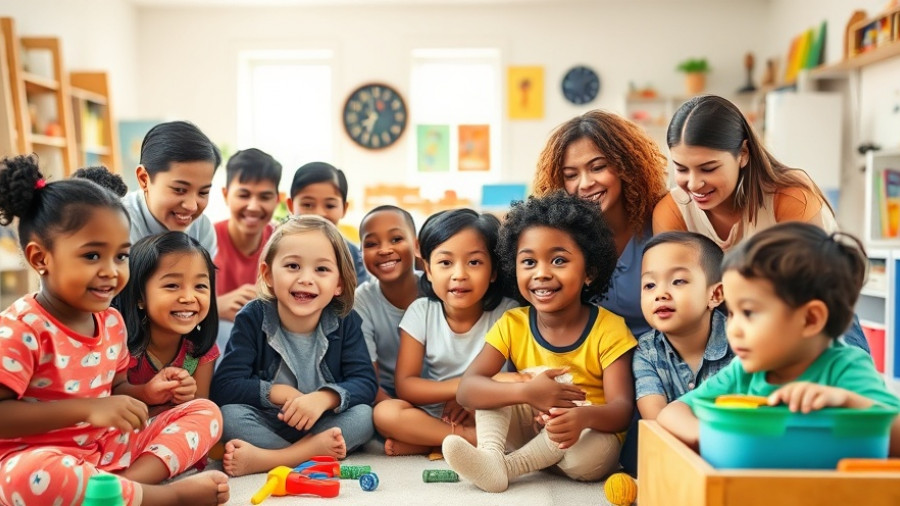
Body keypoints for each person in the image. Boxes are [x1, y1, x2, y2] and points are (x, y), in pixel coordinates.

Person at [0, 155, 228, 505]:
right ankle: (164, 498)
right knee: (30, 476)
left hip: (104, 449)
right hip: (39, 457)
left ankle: (118, 488)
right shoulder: (20, 328)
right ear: (40, 258)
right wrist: (88, 409)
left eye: (121, 256)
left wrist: (147, 392)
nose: (111, 271)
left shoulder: (111, 322)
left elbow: (117, 387)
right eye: (92, 256)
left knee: (205, 412)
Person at [442, 192, 636, 492]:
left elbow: (622, 410)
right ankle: (492, 456)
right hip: (531, 429)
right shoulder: (512, 323)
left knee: (593, 454)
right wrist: (528, 392)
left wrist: (580, 418)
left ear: (590, 272)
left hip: (582, 436)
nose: (542, 273)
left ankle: (506, 467)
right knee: (493, 386)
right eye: (529, 262)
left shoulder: (609, 329)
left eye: (558, 260)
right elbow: (468, 390)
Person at [657, 222, 900, 456]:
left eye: (749, 313)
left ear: (810, 319)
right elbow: (672, 413)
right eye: (732, 313)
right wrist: (714, 437)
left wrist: (847, 401)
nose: (734, 329)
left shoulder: (845, 367)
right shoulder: (742, 372)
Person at [652, 94, 870, 352]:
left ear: (742, 154)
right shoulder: (672, 210)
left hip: (810, 311)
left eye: (708, 169)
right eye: (682, 169)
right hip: (724, 322)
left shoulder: (789, 199)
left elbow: (809, 290)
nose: (694, 183)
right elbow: (680, 296)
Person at [211, 215, 376, 477]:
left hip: (322, 421)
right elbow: (225, 386)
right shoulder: (253, 316)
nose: (306, 279)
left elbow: (365, 382)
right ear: (268, 275)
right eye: (292, 266)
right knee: (228, 416)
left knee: (364, 417)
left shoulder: (345, 319)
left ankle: (272, 459)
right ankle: (308, 455)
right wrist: (279, 393)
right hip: (270, 420)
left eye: (321, 270)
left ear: (339, 284)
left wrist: (324, 398)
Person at [372, 209, 518, 456]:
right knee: (384, 413)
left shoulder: (509, 314)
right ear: (428, 270)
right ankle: (467, 440)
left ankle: (433, 442)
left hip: (493, 410)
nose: (459, 274)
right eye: (445, 263)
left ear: (493, 271)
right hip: (439, 414)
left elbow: (519, 380)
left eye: (474, 262)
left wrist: (476, 399)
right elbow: (406, 386)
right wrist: (464, 389)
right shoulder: (421, 312)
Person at [533, 110, 668, 338]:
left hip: (661, 357)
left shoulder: (661, 219)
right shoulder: (563, 237)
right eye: (571, 175)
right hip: (594, 362)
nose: (585, 184)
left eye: (597, 167)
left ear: (626, 166)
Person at [114, 232, 220, 416]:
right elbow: (111, 396)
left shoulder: (200, 351)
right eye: (172, 285)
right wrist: (147, 393)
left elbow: (199, 407)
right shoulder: (120, 346)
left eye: (200, 286)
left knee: (208, 412)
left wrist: (188, 396)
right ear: (140, 296)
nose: (188, 298)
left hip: (172, 433)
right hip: (124, 429)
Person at [633, 232, 731, 421]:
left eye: (678, 281)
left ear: (715, 295)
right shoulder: (646, 352)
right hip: (672, 448)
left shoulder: (742, 341)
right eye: (650, 285)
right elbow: (656, 423)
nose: (660, 293)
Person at [213, 148, 282, 356]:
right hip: (215, 344)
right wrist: (214, 308)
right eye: (243, 195)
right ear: (225, 195)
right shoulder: (204, 240)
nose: (253, 206)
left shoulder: (284, 241)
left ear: (277, 199)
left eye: (264, 197)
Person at [353, 205, 423, 403]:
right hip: (390, 400)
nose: (384, 250)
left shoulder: (437, 289)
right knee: (381, 415)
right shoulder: (362, 300)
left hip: (441, 393)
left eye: (396, 239)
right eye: (372, 244)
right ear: (361, 254)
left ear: (416, 246)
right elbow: (368, 381)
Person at [122, 120, 221, 258]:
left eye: (203, 192)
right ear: (144, 179)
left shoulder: (202, 230)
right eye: (180, 190)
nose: (192, 206)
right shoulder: (118, 225)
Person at [286, 161, 369, 284]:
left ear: (344, 209)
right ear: (291, 206)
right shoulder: (279, 248)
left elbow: (362, 296)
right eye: (307, 205)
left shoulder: (353, 256)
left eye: (330, 206)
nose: (319, 214)